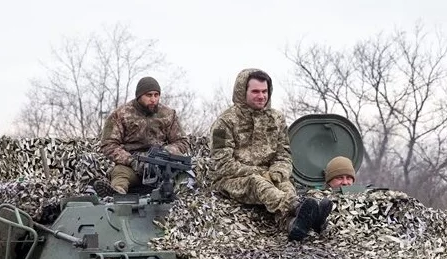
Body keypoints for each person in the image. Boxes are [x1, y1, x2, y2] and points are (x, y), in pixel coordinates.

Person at [209, 68, 332, 241]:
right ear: (242, 92)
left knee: (285, 185)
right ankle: (299, 207)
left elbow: (284, 154)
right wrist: (261, 174)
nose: (261, 96)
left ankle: (295, 225)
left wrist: (278, 172)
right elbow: (222, 164)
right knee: (258, 184)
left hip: (270, 175)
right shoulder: (223, 123)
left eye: (265, 91)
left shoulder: (277, 119)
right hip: (231, 180)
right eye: (255, 91)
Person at [97, 76, 188, 196]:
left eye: (156, 95)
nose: (153, 99)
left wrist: (166, 153)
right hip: (132, 166)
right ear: (139, 96)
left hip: (161, 166)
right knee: (120, 173)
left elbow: (182, 141)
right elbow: (108, 144)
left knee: (183, 175)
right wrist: (132, 161)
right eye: (149, 95)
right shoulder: (121, 114)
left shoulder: (168, 114)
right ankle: (117, 194)